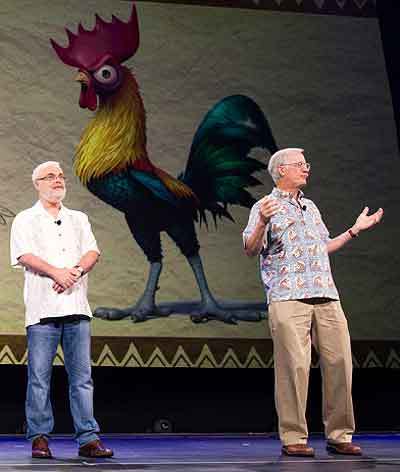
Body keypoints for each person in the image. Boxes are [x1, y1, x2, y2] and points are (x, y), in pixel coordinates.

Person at [243, 148, 383, 457]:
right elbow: (251, 249)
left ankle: (339, 434)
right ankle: (293, 437)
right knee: (295, 367)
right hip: (288, 297)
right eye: (300, 165)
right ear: (281, 171)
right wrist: (262, 223)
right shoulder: (264, 206)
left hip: (326, 295)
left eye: (306, 164)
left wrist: (354, 231)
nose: (306, 169)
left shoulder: (310, 207)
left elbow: (323, 247)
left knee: (340, 362)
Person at [10, 161, 113, 459]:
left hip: (77, 307)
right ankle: (40, 437)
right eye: (50, 177)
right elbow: (24, 255)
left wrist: (76, 271)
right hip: (43, 309)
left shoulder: (78, 218)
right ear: (37, 184)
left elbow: (92, 251)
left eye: (60, 176)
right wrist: (57, 272)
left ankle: (88, 438)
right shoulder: (25, 219)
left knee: (81, 377)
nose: (57, 181)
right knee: (39, 376)